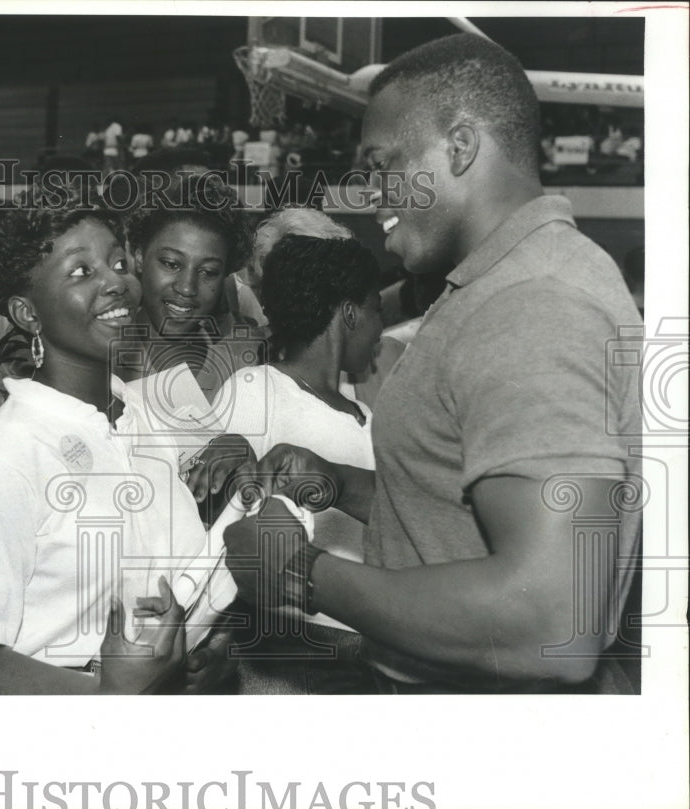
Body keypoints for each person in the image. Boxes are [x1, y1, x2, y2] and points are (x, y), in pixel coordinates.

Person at [223, 33, 643, 693]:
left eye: (381, 164)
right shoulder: (498, 283)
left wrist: (299, 571)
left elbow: (553, 622)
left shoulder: (532, 305)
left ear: (460, 146)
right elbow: (471, 508)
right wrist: (345, 483)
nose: (368, 193)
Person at [0, 182, 219, 694]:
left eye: (118, 263)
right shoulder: (3, 458)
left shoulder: (141, 418)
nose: (116, 284)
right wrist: (110, 694)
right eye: (82, 272)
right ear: (26, 313)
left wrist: (206, 656)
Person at [216, 234, 383, 694]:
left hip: (371, 643)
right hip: (293, 647)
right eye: (376, 311)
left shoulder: (365, 417)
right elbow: (225, 525)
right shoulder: (257, 388)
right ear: (350, 314)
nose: (380, 332)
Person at [119, 172, 262, 403]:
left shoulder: (245, 363)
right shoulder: (99, 358)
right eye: (171, 264)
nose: (187, 288)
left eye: (208, 272)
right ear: (138, 257)